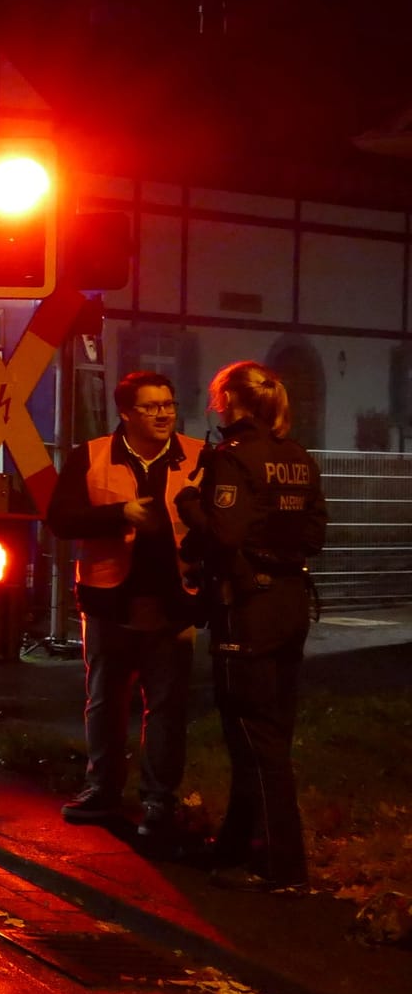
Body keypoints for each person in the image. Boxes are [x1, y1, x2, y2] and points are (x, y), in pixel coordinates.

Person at [175, 362, 326, 894]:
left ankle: (283, 867)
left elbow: (223, 533)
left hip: (247, 607)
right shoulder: (298, 458)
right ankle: (236, 847)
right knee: (269, 731)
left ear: (229, 401)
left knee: (253, 736)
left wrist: (189, 505)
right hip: (289, 604)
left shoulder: (232, 458)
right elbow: (314, 533)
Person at [44, 371, 204, 840]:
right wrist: (119, 514)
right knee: (105, 702)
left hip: (175, 602)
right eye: (152, 406)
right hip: (110, 600)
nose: (163, 413)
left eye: (168, 404)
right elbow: (60, 519)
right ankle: (103, 790)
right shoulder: (91, 456)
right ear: (127, 413)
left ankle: (159, 802)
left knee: (167, 707)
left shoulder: (198, 456)